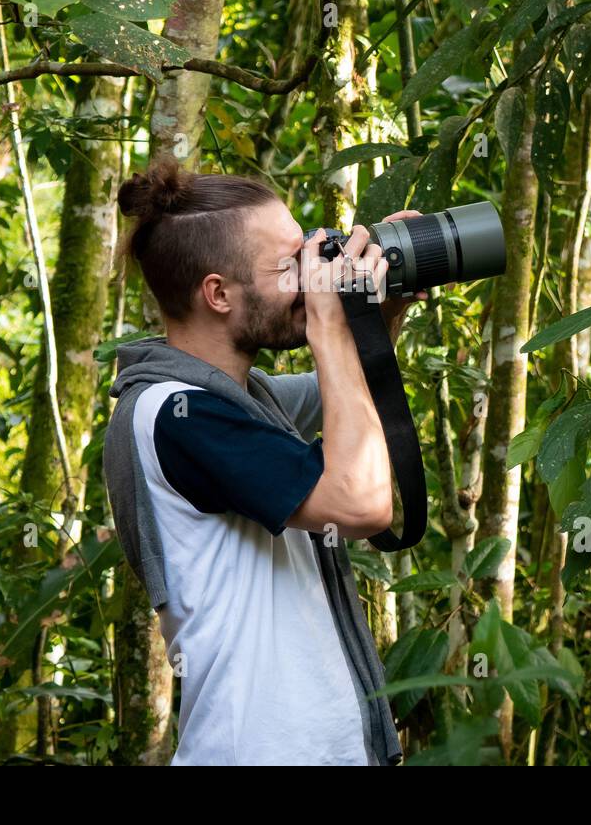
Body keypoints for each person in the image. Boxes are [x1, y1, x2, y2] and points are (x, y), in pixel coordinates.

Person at [101, 154, 425, 766]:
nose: (310, 277)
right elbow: (361, 501)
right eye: (289, 266)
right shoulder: (175, 414)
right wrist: (329, 325)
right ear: (218, 294)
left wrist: (382, 306)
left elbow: (351, 391)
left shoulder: (252, 401)